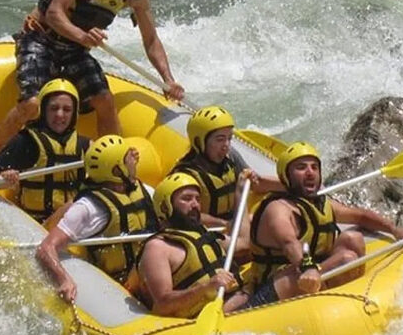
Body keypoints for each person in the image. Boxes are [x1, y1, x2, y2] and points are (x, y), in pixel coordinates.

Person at [0, 0, 185, 170]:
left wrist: (168, 79)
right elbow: (55, 13)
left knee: (105, 100)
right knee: (32, 104)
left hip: (75, 49)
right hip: (40, 38)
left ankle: (114, 168)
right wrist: (82, 36)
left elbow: (151, 40)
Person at [246, 141, 403, 307]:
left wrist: (395, 229)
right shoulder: (277, 209)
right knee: (346, 259)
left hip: (313, 271)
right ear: (286, 176)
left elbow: (360, 216)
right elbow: (289, 243)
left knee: (353, 239)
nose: (310, 172)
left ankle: (349, 297)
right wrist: (308, 268)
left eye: (314, 167)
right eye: (301, 168)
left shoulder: (319, 204)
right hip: (276, 284)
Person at [36, 134, 159, 302]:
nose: (134, 157)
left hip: (149, 274)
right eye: (127, 156)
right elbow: (46, 248)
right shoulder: (89, 207)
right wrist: (63, 279)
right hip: (120, 286)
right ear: (117, 170)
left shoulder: (143, 190)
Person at [135, 173, 250, 318]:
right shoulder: (158, 247)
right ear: (165, 207)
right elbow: (163, 304)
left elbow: (244, 243)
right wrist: (205, 288)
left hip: (238, 301)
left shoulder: (204, 235)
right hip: (203, 318)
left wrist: (240, 192)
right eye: (187, 199)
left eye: (197, 199)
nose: (195, 204)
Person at [0, 78, 90, 227]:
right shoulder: (26, 141)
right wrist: (2, 181)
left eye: (66, 109)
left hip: (70, 225)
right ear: (43, 110)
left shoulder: (85, 146)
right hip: (34, 225)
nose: (60, 114)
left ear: (74, 113)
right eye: (53, 108)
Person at [171, 105, 283, 230]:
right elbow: (186, 215)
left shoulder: (231, 157)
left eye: (229, 138)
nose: (226, 145)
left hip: (231, 226)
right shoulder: (185, 174)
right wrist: (226, 224)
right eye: (220, 139)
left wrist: (293, 186)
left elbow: (257, 183)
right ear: (199, 142)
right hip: (207, 231)